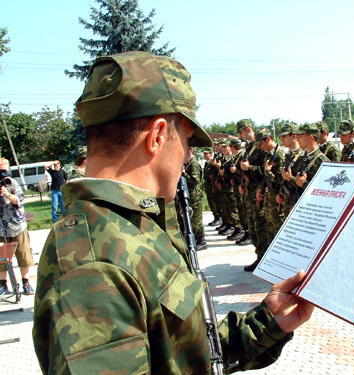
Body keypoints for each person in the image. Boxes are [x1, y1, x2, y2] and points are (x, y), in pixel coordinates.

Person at [33, 51, 314, 375]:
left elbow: (183, 352)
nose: (187, 154)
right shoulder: (92, 262)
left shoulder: (131, 224)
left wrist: (268, 322)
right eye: (185, 139)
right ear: (156, 136)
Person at [0, 158, 35, 295]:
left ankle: (26, 283)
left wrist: (7, 194)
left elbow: (19, 200)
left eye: (4, 170)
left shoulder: (13, 183)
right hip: (2, 228)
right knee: (2, 257)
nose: (3, 174)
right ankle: (3, 284)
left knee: (23, 253)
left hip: (17, 225)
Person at [238, 119, 269, 272]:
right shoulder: (249, 147)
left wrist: (250, 168)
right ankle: (259, 256)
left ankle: (264, 258)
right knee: (253, 227)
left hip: (258, 192)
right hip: (249, 191)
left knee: (260, 227)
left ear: (248, 130)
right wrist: (242, 184)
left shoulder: (260, 147)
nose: (240, 136)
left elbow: (265, 171)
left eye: (241, 132)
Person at [255, 128, 286, 243]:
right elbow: (265, 177)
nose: (259, 147)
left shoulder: (280, 155)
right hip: (269, 199)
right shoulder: (267, 155)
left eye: (261, 144)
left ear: (268, 139)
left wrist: (268, 171)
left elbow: (281, 179)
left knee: (278, 234)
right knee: (269, 233)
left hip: (277, 200)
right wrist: (260, 188)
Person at [283, 123, 330, 194]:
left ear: (310, 137)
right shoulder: (301, 158)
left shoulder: (323, 161)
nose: (297, 139)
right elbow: (297, 185)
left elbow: (326, 190)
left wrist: (303, 183)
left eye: (300, 136)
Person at [183, 147, 207, 250]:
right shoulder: (187, 163)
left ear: (191, 151)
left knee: (196, 219)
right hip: (189, 194)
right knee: (190, 218)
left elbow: (195, 181)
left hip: (195, 196)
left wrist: (183, 173)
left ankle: (201, 240)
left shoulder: (194, 164)